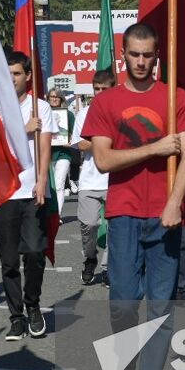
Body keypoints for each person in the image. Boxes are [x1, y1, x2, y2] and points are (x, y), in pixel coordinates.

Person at [82, 22, 185, 370]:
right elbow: (103, 159)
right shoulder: (107, 102)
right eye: (133, 54)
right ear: (124, 54)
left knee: (161, 305)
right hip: (123, 213)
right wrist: (153, 147)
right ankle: (126, 359)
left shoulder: (176, 99)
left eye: (147, 55)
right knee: (123, 303)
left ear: (157, 57)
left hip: (165, 216)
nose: (140, 61)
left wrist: (175, 202)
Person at [0, 51, 54, 340]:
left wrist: (42, 181)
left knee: (34, 252)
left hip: (32, 190)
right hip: (4, 193)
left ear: (27, 76)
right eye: (8, 73)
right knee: (8, 260)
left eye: (16, 73)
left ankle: (33, 305)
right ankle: (15, 316)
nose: (11, 78)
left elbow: (45, 148)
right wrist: (21, 128)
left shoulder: (40, 107)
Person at [72, 69, 116, 286]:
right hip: (90, 179)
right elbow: (80, 144)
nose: (99, 93)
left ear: (112, 89)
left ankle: (108, 267)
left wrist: (97, 141)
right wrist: (106, 141)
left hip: (115, 179)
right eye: (96, 89)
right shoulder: (84, 114)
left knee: (115, 228)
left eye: (104, 89)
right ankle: (90, 259)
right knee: (88, 225)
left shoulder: (119, 112)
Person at [46, 88, 75, 216]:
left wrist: (70, 141)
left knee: (59, 184)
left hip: (64, 153)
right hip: (47, 152)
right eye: (52, 96)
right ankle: (49, 213)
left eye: (57, 97)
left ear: (61, 99)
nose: (54, 99)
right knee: (49, 185)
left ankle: (57, 215)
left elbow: (74, 134)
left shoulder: (68, 115)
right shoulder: (43, 113)